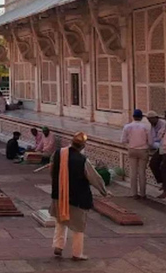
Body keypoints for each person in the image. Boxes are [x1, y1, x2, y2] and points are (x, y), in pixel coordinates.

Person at [49, 132, 109, 261]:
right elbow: (94, 177)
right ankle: (77, 253)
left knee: (60, 221)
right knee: (78, 227)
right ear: (82, 146)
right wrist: (104, 191)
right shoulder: (82, 160)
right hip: (77, 198)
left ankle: (58, 246)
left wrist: (58, 185)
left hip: (59, 194)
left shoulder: (59, 153)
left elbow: (52, 170)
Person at [120, 109, 151, 199]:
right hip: (143, 150)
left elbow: (123, 140)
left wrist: (130, 143)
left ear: (133, 117)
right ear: (141, 117)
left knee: (133, 172)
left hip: (132, 149)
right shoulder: (146, 127)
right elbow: (151, 141)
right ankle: (143, 194)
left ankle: (134, 194)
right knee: (142, 172)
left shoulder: (127, 127)